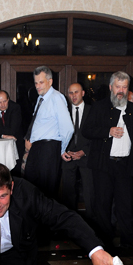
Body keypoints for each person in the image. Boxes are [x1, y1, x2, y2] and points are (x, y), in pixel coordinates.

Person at [82, 72, 133, 253]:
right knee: (102, 205)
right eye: (118, 86)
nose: (121, 91)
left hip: (125, 165)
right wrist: (108, 131)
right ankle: (105, 242)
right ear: (111, 87)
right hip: (103, 165)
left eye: (124, 87)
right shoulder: (99, 106)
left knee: (126, 205)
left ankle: (128, 240)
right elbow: (86, 130)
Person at [23, 66, 74, 199]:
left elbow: (68, 128)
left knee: (45, 193)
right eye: (36, 83)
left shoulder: (56, 98)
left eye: (41, 82)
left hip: (48, 149)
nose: (37, 86)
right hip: (38, 149)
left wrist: (61, 149)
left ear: (50, 82)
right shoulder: (41, 99)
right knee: (32, 189)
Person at [60, 83, 93, 218]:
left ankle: (91, 222)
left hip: (86, 157)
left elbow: (96, 135)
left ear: (83, 93)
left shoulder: (92, 111)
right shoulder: (64, 111)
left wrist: (84, 151)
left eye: (76, 92)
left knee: (89, 192)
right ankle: (70, 222)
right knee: (68, 193)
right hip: (68, 157)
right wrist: (63, 150)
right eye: (71, 93)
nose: (73, 95)